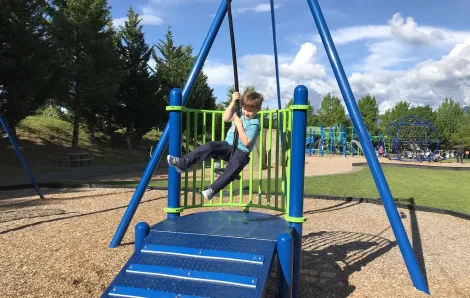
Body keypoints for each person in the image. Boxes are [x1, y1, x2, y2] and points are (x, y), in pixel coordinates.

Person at [167, 91, 264, 200]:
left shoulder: (255, 124)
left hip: (242, 152)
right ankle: (183, 163)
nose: (246, 113)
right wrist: (232, 102)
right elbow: (226, 118)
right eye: (245, 109)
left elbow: (246, 142)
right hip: (228, 145)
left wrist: (239, 124)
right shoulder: (239, 113)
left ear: (258, 109)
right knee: (210, 146)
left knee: (234, 167)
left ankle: (212, 190)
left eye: (250, 111)